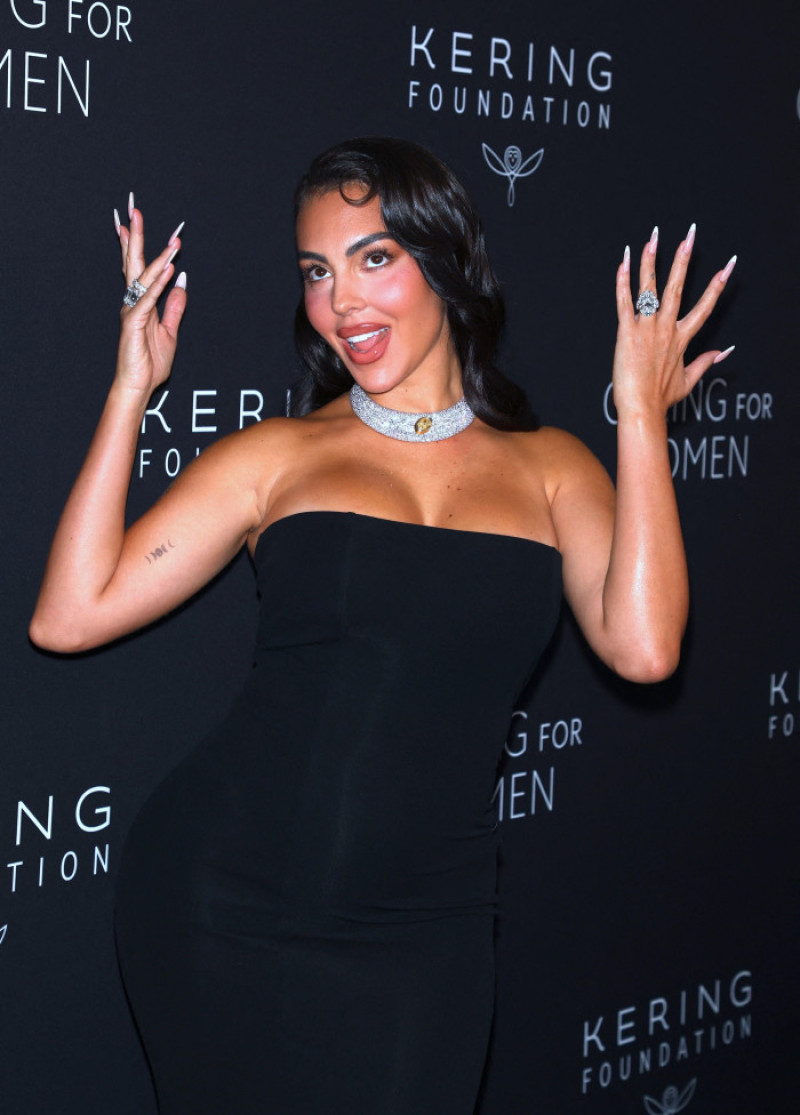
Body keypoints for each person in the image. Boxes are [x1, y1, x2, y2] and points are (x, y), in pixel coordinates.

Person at [29, 137, 735, 1113]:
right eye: (317, 271)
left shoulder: (551, 467)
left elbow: (645, 648)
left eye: (373, 258)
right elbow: (69, 614)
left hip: (425, 927)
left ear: (444, 260)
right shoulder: (280, 455)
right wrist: (129, 390)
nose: (342, 303)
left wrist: (643, 415)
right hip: (222, 901)